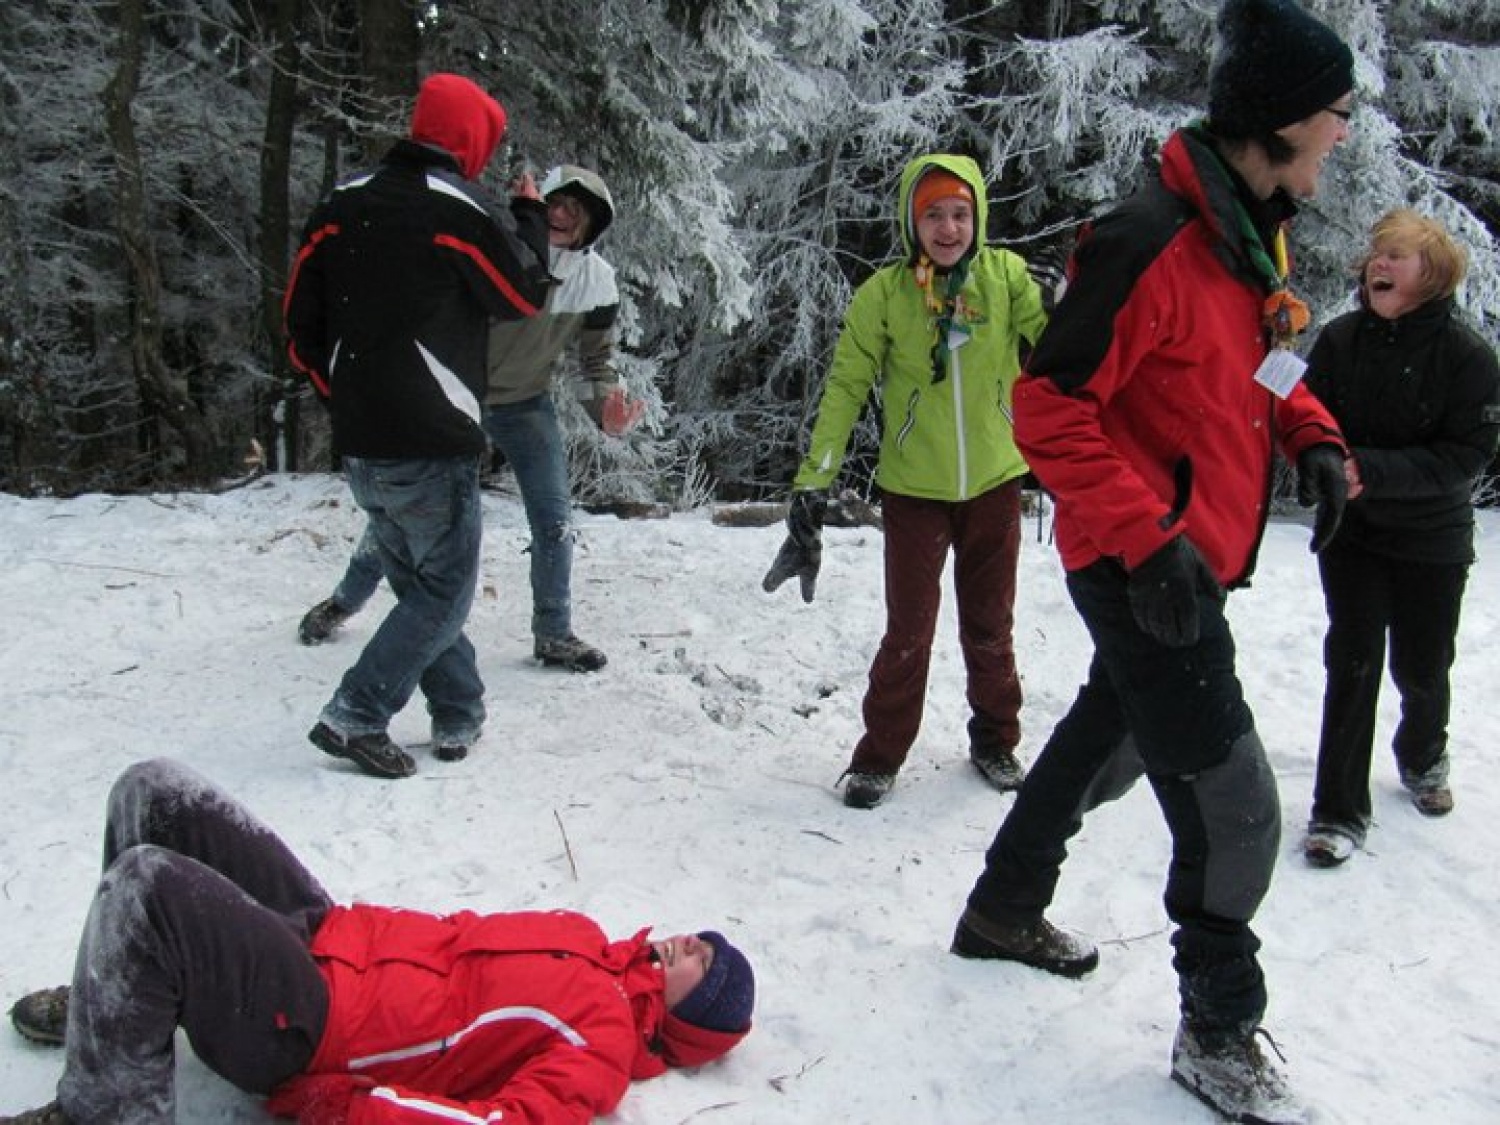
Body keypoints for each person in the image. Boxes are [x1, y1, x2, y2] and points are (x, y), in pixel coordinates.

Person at [948, 2, 1355, 1121]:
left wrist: (1310, 431)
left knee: (1109, 738)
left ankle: (999, 909)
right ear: (1277, 122)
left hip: (1186, 560)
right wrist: (1151, 541)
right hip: (1141, 568)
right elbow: (1047, 409)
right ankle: (1217, 1032)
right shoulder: (1147, 240)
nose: (1343, 137)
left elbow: (1262, 362)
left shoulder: (1249, 229)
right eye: (1335, 116)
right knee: (1236, 810)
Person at [0, 758, 755, 1125]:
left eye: (703, 962)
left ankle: (102, 1111)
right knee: (153, 792)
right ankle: (121, 1000)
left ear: (689, 1022)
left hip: (310, 1027)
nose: (690, 943)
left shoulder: (600, 1049)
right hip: (328, 934)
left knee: (148, 888)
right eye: (700, 939)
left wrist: (350, 1105)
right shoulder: (588, 941)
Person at [284, 73, 552, 779]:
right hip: (431, 437)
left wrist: (342, 394)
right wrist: (528, 215)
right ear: (470, 140)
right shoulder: (457, 207)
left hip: (362, 441)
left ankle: (460, 706)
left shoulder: (340, 202)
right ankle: (357, 712)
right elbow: (522, 294)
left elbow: (296, 323)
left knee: (420, 584)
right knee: (445, 591)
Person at [762, 153, 1049, 810]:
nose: (947, 228)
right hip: (914, 490)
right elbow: (845, 388)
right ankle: (879, 755)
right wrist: (815, 481)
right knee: (909, 628)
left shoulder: (1006, 279)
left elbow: (1059, 346)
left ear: (976, 217)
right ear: (910, 222)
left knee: (990, 624)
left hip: (995, 482)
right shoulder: (887, 295)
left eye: (958, 213)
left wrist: (1066, 303)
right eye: (932, 215)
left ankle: (996, 738)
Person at [297, 166, 644, 671]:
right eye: (556, 203)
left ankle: (554, 633)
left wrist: (606, 411)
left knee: (554, 521)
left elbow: (595, 365)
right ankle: (343, 601)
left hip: (526, 404)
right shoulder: (502, 253)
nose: (563, 215)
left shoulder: (597, 282)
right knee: (406, 516)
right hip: (458, 401)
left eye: (578, 209)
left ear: (593, 224)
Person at [1299, 209, 1500, 867]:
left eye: (1397, 255)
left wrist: (1370, 470)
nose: (1378, 263)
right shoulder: (1338, 340)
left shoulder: (1468, 356)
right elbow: (1308, 422)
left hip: (1431, 541)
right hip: (1353, 536)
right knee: (1351, 662)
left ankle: (1423, 754)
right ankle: (1337, 811)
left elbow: (1466, 456)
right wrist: (1319, 466)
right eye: (1376, 252)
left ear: (1433, 273)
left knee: (1421, 664)